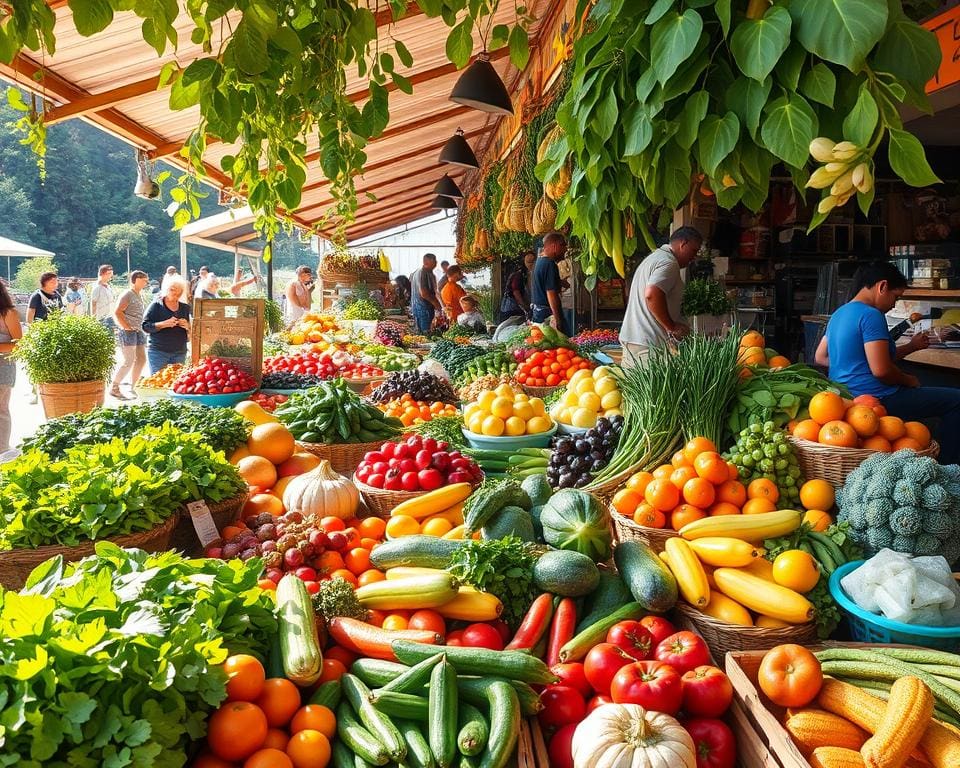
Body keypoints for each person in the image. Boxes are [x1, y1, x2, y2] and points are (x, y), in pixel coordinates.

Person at [814, 261, 960, 464]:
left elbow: (820, 357)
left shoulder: (839, 313)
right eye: (896, 296)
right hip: (878, 401)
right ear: (882, 286)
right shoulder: (871, 315)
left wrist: (911, 347)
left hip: (846, 399)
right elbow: (881, 370)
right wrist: (907, 379)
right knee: (956, 400)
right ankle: (949, 467)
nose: (894, 304)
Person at [619, 226, 703, 362]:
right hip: (647, 346)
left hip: (637, 341)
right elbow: (652, 294)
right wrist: (671, 327)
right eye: (694, 251)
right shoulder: (669, 262)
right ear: (683, 244)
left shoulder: (654, 258)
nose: (694, 257)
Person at [111, 270, 149, 399]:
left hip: (138, 331)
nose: (146, 282)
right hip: (128, 331)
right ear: (136, 279)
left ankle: (134, 385)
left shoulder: (139, 294)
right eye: (144, 279)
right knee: (129, 360)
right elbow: (117, 312)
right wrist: (126, 327)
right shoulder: (128, 294)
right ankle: (115, 387)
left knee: (142, 358)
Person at [143, 277, 191, 373]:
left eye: (180, 291)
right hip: (159, 352)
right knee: (158, 382)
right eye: (173, 290)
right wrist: (163, 324)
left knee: (177, 383)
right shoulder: (156, 306)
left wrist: (187, 326)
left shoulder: (185, 308)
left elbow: (191, 331)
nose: (177, 293)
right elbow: (145, 326)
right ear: (167, 289)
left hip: (179, 352)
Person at [0, 280, 23, 452]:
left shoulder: (9, 313)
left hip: (4, 366)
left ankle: (2, 450)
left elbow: (18, 344)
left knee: (1, 409)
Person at [530, 233, 569, 334]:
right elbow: (551, 294)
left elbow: (543, 283)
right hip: (547, 315)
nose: (565, 249)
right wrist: (558, 320)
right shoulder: (549, 264)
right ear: (554, 246)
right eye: (563, 245)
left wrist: (560, 282)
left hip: (538, 313)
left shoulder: (539, 262)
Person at [410, 253, 442, 334]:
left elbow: (436, 291)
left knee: (421, 335)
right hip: (424, 310)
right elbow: (424, 293)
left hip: (418, 309)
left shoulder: (426, 273)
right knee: (426, 334)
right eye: (434, 261)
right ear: (427, 262)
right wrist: (437, 305)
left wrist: (441, 304)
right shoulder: (422, 272)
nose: (436, 263)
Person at [500, 250, 537, 320]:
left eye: (533, 261)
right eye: (528, 262)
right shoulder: (518, 275)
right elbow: (516, 292)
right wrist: (526, 307)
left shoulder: (530, 274)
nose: (531, 264)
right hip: (511, 309)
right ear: (524, 262)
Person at [90, 264, 115, 331]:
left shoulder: (108, 286)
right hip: (101, 318)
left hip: (110, 316)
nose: (111, 276)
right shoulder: (97, 287)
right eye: (109, 273)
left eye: (111, 274)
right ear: (102, 274)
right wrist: (93, 319)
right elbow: (93, 303)